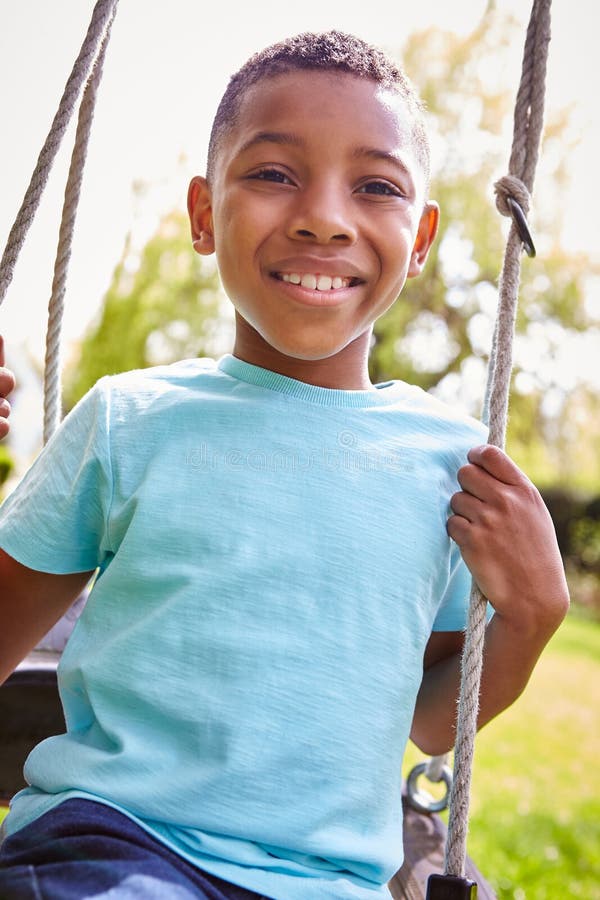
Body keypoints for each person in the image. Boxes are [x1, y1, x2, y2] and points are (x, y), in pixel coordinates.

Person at [0, 31, 569, 900]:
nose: (324, 217)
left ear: (419, 239)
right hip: (115, 850)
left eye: (374, 186)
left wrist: (530, 619)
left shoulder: (453, 466)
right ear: (203, 213)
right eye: (273, 173)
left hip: (330, 882)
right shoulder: (129, 421)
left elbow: (426, 717)